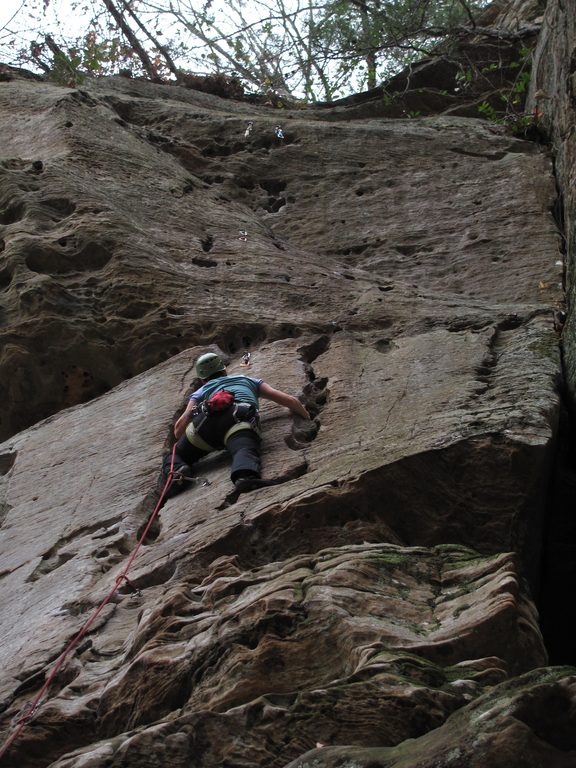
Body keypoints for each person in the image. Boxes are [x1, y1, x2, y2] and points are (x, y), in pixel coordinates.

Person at [162, 352, 310, 497]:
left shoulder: (201, 391)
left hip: (203, 425)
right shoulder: (249, 380)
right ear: (224, 371)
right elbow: (291, 401)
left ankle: (178, 470)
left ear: (202, 380)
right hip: (236, 419)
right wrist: (307, 417)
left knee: (176, 454)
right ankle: (244, 476)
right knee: (243, 448)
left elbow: (177, 432)